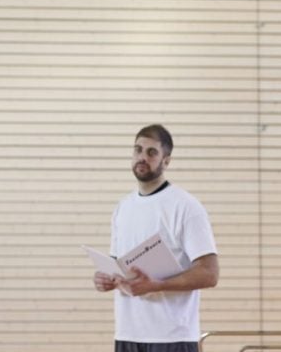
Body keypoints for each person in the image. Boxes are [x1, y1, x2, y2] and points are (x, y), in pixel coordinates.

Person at [93, 124, 219, 352]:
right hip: (128, 333)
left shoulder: (186, 207)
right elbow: (117, 265)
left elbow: (210, 274)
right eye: (138, 150)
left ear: (166, 161)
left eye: (151, 152)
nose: (142, 157)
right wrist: (106, 279)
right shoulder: (123, 207)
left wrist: (158, 284)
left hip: (172, 337)